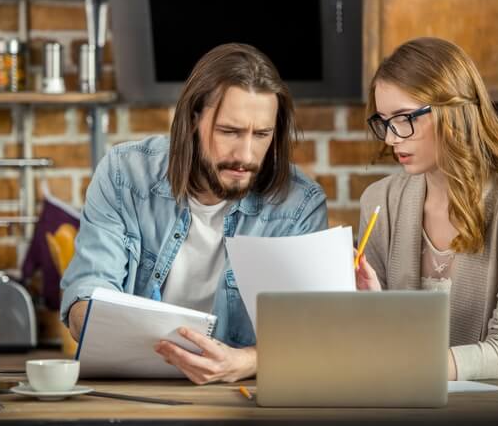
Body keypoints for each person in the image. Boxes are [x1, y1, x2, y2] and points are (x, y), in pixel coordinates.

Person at [61, 43, 328, 384]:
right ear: (191, 120)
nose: (245, 154)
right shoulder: (124, 173)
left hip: (238, 397)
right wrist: (95, 321)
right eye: (229, 132)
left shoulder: (300, 204)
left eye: (261, 135)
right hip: (136, 390)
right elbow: (87, 294)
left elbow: (310, 332)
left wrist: (247, 361)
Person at [355, 37, 498, 381]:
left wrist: (411, 364)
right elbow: (372, 345)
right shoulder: (379, 202)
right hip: (401, 405)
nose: (390, 138)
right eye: (384, 121)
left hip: (488, 414)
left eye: (404, 118)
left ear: (452, 112)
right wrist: (373, 310)